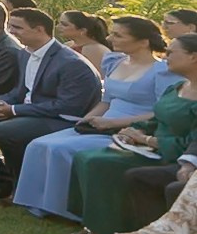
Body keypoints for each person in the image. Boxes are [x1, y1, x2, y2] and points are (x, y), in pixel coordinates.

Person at [12, 14, 171, 219]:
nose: (111, 39)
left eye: (119, 35)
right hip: (101, 122)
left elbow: (159, 111)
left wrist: (113, 123)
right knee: (38, 144)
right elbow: (106, 101)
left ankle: (70, 210)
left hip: (133, 129)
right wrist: (86, 119)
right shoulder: (116, 62)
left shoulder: (162, 71)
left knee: (60, 149)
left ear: (143, 41)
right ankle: (42, 203)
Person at [65, 32, 197, 234]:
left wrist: (148, 139)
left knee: (102, 165)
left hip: (174, 155)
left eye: (172, 53)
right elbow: (157, 118)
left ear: (193, 57)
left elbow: (192, 141)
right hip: (151, 147)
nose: (165, 57)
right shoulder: (177, 88)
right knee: (85, 157)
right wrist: (132, 131)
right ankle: (93, 226)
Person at [0, 7, 102, 199]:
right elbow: (22, 90)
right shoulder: (25, 53)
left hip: (62, 119)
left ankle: (22, 186)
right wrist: (2, 102)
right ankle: (0, 179)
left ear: (39, 30)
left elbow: (69, 106)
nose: (11, 32)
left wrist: (15, 110)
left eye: (17, 27)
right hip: (29, 111)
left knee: (6, 131)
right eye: (10, 26)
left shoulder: (71, 63)